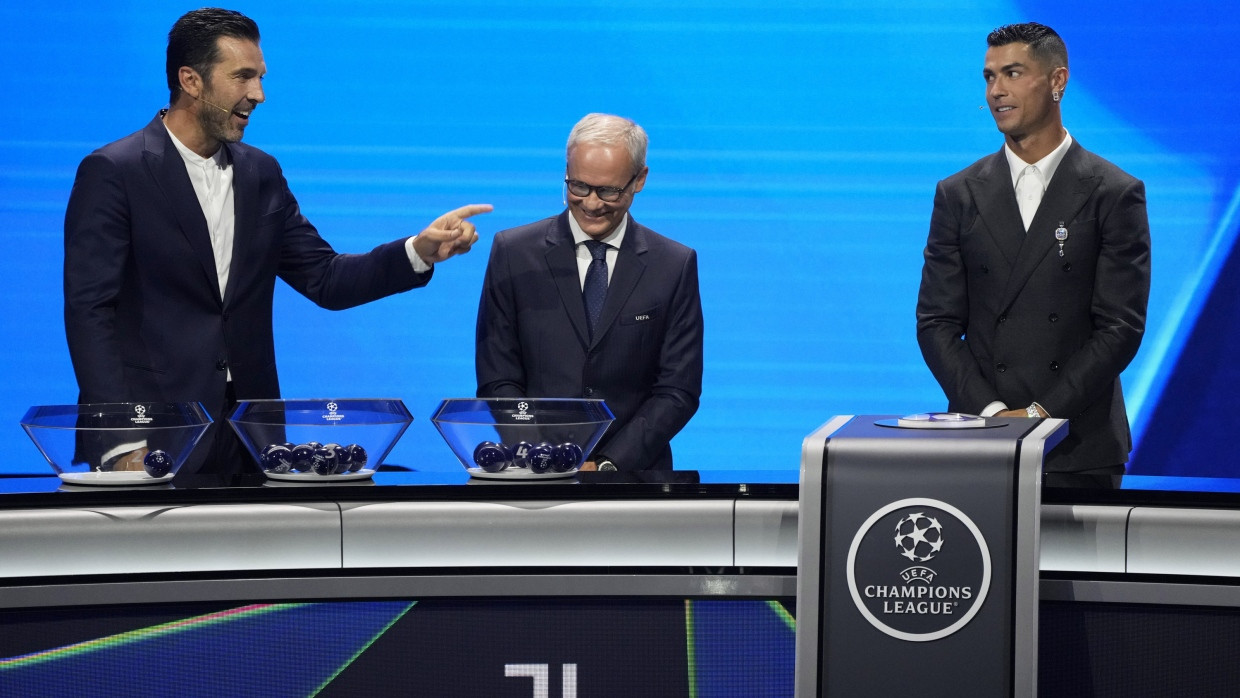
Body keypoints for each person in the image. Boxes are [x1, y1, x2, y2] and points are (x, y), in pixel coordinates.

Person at [63, 8, 490, 479]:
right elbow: (90, 313)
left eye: (260, 77)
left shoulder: (260, 173)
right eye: (243, 77)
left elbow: (326, 279)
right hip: (152, 440)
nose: (259, 95)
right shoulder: (116, 172)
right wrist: (122, 439)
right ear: (191, 80)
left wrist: (418, 252)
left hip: (251, 439)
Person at [916, 22, 1151, 474]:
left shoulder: (1113, 192)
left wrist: (1040, 416)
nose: (996, 91)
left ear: (1057, 81)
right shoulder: (958, 193)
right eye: (989, 77)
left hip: (1079, 447)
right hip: (980, 439)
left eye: (1013, 73)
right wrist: (992, 414)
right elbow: (936, 322)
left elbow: (1120, 326)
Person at [475, 114, 703, 472]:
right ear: (566, 171)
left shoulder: (673, 264)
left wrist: (610, 464)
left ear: (639, 179)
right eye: (578, 186)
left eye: (608, 191)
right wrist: (546, 459)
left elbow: (678, 390)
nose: (592, 204)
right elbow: (497, 379)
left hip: (635, 482)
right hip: (536, 478)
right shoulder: (514, 254)